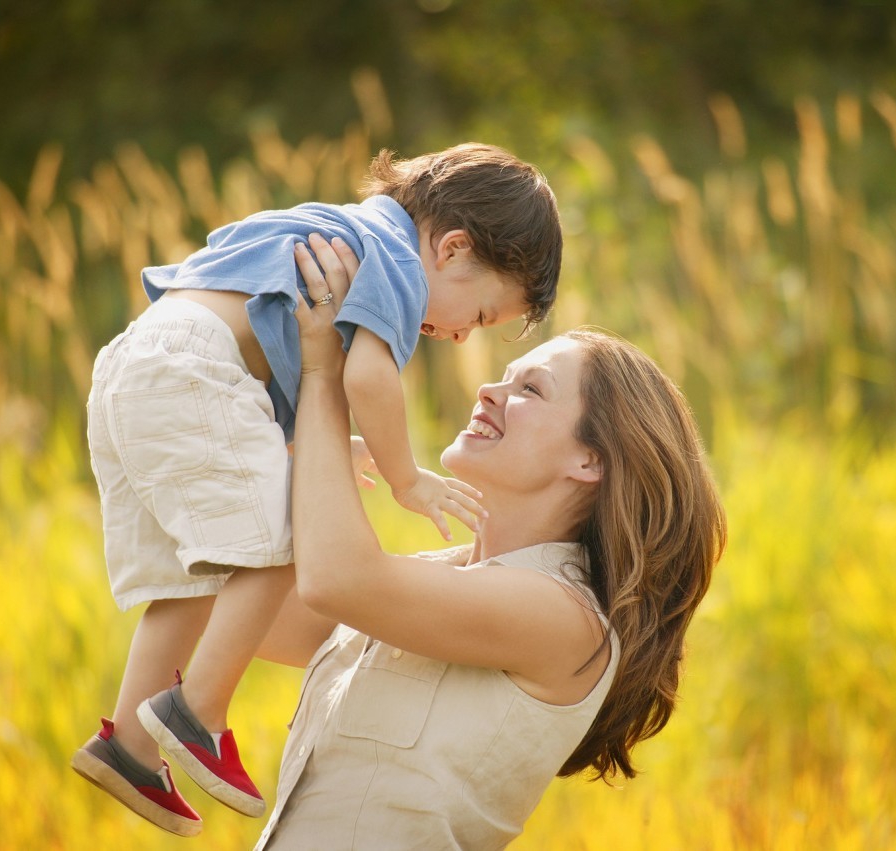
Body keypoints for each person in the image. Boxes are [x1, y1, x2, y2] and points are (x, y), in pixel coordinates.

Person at [72, 144, 564, 836]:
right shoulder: (394, 264)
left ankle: (128, 745)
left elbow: (252, 326)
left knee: (191, 580)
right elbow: (365, 378)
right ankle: (198, 711)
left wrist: (312, 440)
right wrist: (405, 477)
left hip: (138, 363)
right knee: (286, 534)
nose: (459, 336)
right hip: (193, 369)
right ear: (451, 249)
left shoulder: (332, 225)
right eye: (479, 315)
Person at [247, 237, 726, 849]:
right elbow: (227, 606)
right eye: (503, 379)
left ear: (590, 460)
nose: (489, 394)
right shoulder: (432, 580)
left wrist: (321, 376)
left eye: (531, 390)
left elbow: (337, 580)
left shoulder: (566, 618)